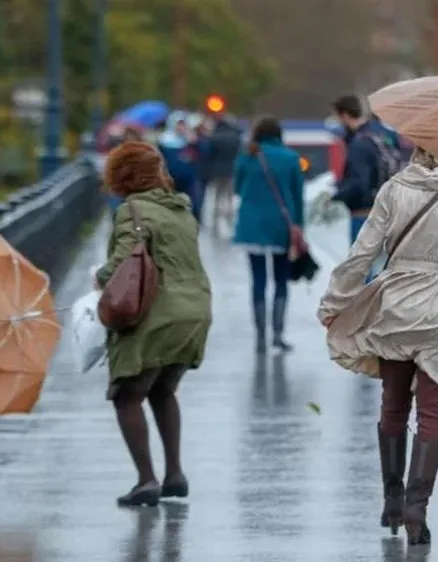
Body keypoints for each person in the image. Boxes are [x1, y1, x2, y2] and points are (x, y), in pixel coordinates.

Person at [317, 147, 438, 546]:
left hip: (398, 305)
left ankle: (391, 498)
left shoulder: (393, 189)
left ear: (419, 152)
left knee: (393, 403)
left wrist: (334, 303)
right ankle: (416, 509)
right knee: (434, 411)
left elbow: (362, 253)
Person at [95, 141, 213, 507]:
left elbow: (119, 267)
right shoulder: (181, 209)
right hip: (195, 312)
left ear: (123, 175)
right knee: (163, 391)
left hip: (157, 315)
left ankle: (146, 479)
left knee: (126, 395)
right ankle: (174, 474)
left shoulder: (133, 210)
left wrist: (98, 278)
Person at [232, 116, 305, 354]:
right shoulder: (291, 158)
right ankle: (278, 334)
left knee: (258, 281)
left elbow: (237, 187)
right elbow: (297, 197)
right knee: (281, 280)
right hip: (281, 227)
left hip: (251, 226)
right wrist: (299, 227)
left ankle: (260, 337)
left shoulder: (248, 155)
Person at [329, 94, 403, 247]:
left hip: (364, 214)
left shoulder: (359, 143)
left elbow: (359, 183)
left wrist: (335, 195)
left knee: (362, 266)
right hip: (392, 212)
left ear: (344, 115)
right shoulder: (386, 135)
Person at [205, 113, 243, 228]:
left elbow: (209, 154)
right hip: (231, 171)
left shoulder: (214, 137)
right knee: (229, 197)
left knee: (217, 196)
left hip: (216, 171)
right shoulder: (235, 137)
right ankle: (229, 219)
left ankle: (215, 220)